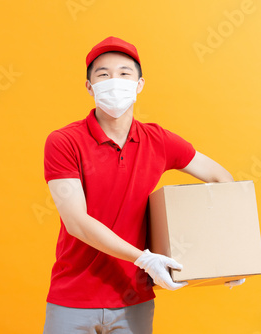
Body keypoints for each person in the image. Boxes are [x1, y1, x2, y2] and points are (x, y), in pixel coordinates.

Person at [42, 36, 244, 334]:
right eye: (103, 74)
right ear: (89, 86)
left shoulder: (158, 141)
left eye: (125, 74)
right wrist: (144, 259)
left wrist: (228, 254)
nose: (115, 81)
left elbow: (221, 179)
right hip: (73, 298)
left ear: (139, 84)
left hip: (133, 299)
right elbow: (77, 222)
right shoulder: (63, 142)